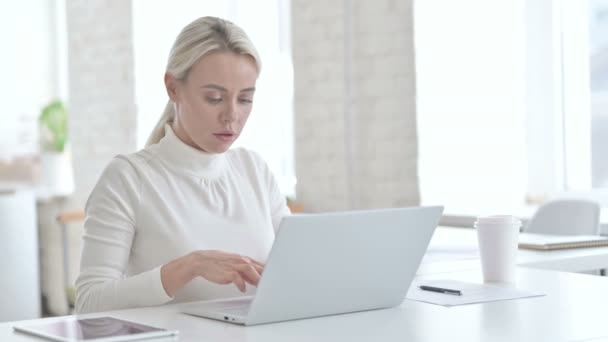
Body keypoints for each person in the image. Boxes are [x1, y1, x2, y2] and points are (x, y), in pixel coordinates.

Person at [75, 16, 290, 314]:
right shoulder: (129, 178)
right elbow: (89, 303)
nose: (231, 116)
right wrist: (190, 266)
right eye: (214, 98)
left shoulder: (253, 170)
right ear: (173, 88)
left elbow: (297, 270)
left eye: (245, 99)